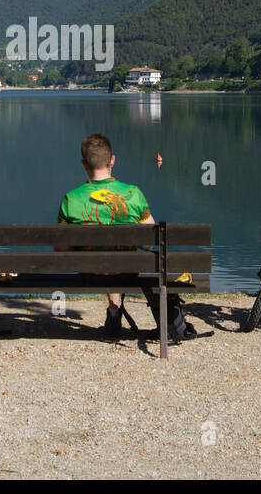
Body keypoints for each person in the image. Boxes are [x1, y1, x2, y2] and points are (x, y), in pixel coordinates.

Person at [55, 133, 196, 341]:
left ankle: (114, 310)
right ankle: (118, 311)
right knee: (121, 258)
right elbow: (149, 242)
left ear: (84, 164)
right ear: (112, 160)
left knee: (104, 259)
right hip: (127, 272)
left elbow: (61, 250)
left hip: (90, 273)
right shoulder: (133, 194)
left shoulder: (71, 199)